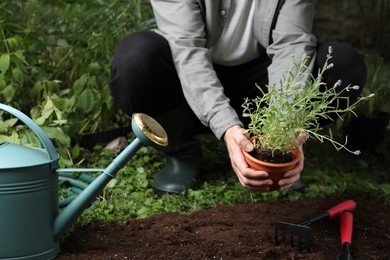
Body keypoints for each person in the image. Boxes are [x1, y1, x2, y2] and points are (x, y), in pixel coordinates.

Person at [109, 0, 367, 195]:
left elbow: (292, 44)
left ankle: (271, 153)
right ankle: (181, 152)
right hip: (189, 81)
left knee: (343, 65)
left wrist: (286, 126)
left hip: (260, 81)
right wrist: (227, 127)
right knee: (135, 61)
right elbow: (186, 49)